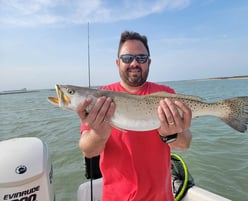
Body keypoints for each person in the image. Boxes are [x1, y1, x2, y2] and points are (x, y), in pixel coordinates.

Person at [76, 31, 192, 201]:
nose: (134, 63)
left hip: (161, 197)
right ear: (117, 63)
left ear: (149, 62)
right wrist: (98, 134)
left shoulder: (166, 94)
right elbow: (88, 150)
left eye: (141, 58)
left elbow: (185, 143)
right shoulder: (100, 99)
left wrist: (172, 135)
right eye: (127, 58)